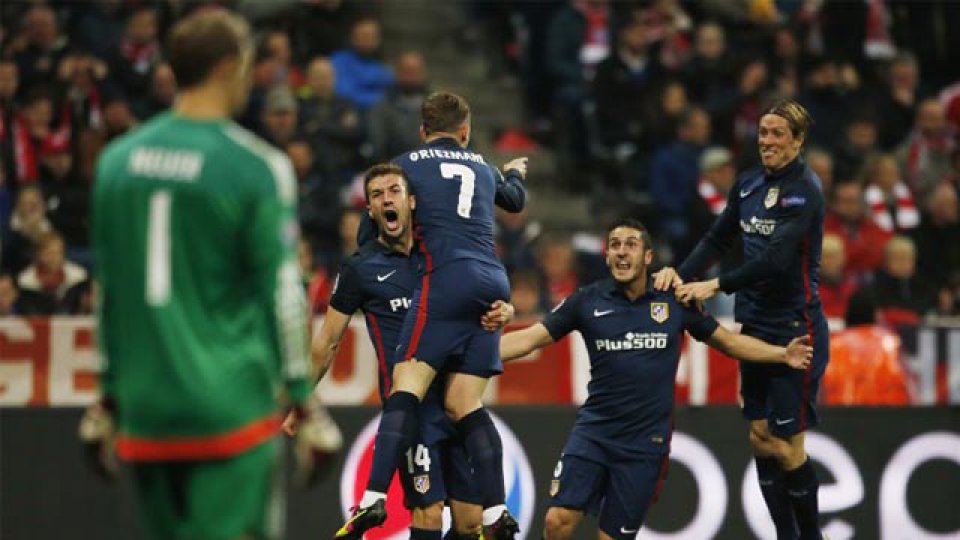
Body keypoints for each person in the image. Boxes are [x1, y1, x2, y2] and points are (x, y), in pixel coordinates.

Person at [79, 10, 323, 540]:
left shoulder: (116, 163)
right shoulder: (255, 166)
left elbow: (108, 293)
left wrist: (106, 393)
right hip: (229, 406)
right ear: (230, 67)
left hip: (146, 407)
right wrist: (304, 398)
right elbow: (283, 293)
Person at [501, 218, 812, 540]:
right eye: (615, 246)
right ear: (606, 256)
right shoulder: (586, 301)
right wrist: (472, 355)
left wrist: (780, 354)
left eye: (631, 245)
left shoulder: (674, 301)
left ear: (648, 257)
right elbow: (529, 339)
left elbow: (729, 342)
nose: (622, 253)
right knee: (556, 521)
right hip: (594, 434)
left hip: (644, 446)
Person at [288, 163, 515, 539]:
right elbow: (327, 340)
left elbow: (480, 311)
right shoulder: (361, 268)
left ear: (412, 201)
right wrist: (301, 399)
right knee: (427, 514)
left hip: (456, 400)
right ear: (371, 211)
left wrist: (503, 309)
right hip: (413, 411)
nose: (385, 200)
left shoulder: (444, 257)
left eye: (393, 190)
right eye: (376, 195)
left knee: (470, 521)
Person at [339, 91, 528, 540]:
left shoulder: (406, 166)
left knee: (406, 383)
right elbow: (515, 201)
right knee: (467, 404)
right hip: (494, 281)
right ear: (465, 132)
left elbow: (375, 226)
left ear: (423, 131)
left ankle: (372, 498)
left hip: (446, 279)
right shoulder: (482, 165)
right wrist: (515, 172)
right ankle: (496, 509)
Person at [655, 99, 829, 540]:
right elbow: (719, 236)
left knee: (788, 446)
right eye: (763, 133)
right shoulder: (749, 183)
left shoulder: (805, 190)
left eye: (777, 135)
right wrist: (685, 272)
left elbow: (776, 259)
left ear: (798, 141)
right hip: (755, 322)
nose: (766, 142)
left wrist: (714, 286)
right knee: (758, 435)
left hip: (795, 325)